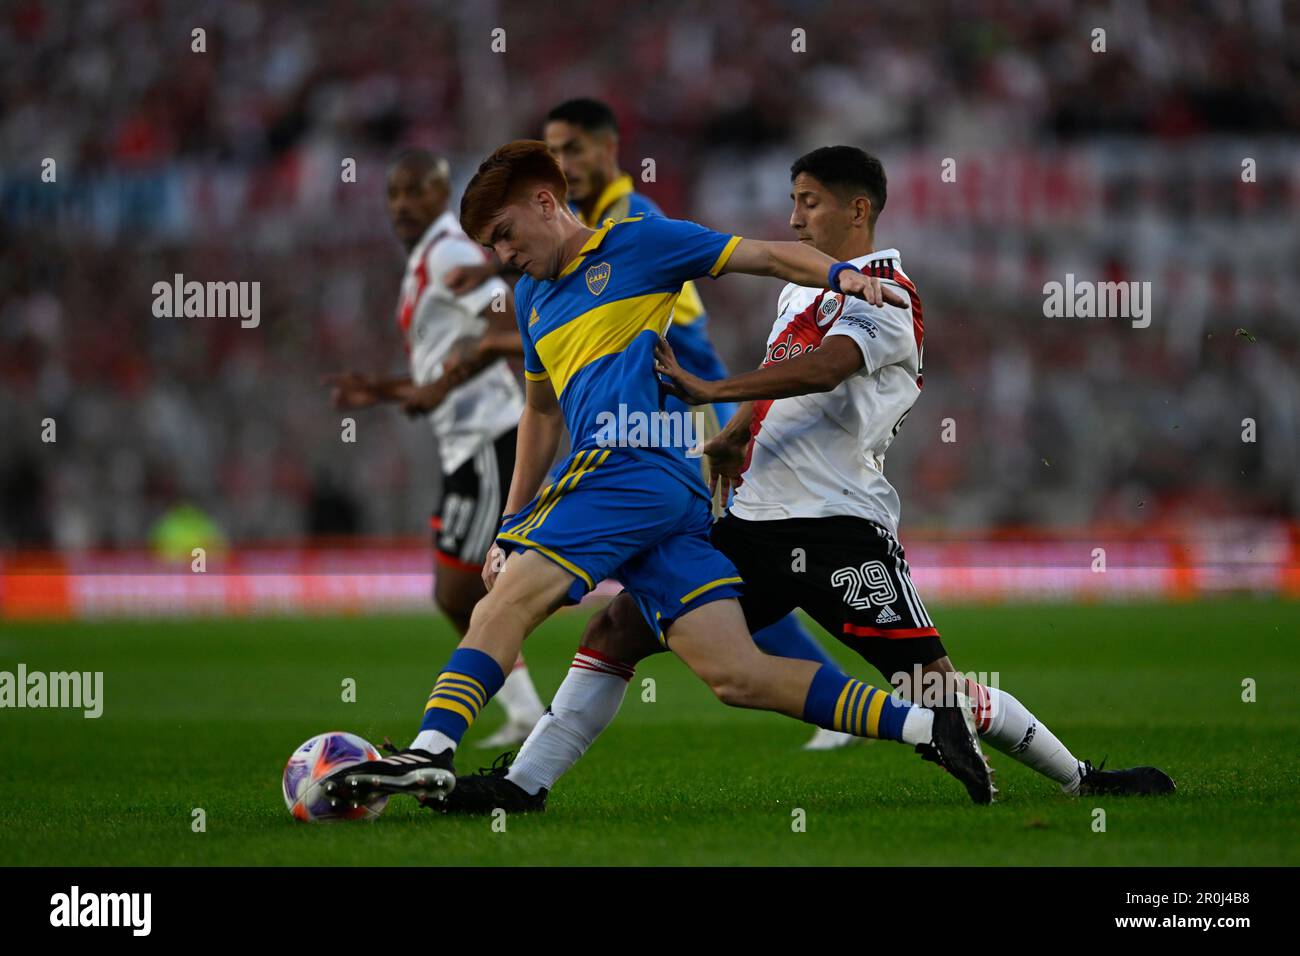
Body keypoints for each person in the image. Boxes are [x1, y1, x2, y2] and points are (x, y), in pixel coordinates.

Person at [438, 146, 1175, 814]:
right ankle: (523, 783)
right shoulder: (798, 295)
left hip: (837, 527)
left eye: (810, 202)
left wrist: (709, 392)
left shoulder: (888, 292)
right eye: (792, 201)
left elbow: (825, 368)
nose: (795, 217)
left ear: (858, 209)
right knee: (616, 629)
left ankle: (1080, 778)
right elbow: (782, 383)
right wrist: (732, 436)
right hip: (754, 522)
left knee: (936, 687)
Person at [319, 140, 995, 809]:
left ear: (545, 202)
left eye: (504, 235)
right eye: (491, 247)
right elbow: (539, 411)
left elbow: (763, 254)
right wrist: (508, 523)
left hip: (623, 466)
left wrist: (839, 277)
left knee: (505, 602)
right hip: (673, 494)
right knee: (736, 672)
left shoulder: (640, 243)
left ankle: (431, 748)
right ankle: (927, 723)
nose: (503, 256)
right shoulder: (529, 298)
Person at [323, 149, 545, 748]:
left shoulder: (448, 252)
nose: (402, 205)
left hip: (491, 438)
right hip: (463, 446)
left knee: (465, 588)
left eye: (416, 192)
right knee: (459, 591)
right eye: (394, 193)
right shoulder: (426, 259)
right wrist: (382, 390)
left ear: (441, 194)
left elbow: (511, 327)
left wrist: (442, 384)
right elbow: (441, 365)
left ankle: (531, 713)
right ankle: (526, 708)